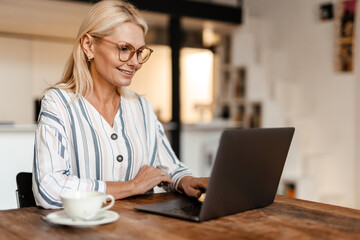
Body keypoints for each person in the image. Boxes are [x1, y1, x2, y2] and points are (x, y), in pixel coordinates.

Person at [32, 0, 208, 209]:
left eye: (140, 51)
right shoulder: (58, 103)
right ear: (89, 46)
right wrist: (132, 186)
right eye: (124, 48)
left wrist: (185, 181)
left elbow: (168, 166)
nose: (135, 62)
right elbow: (49, 189)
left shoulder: (141, 107)